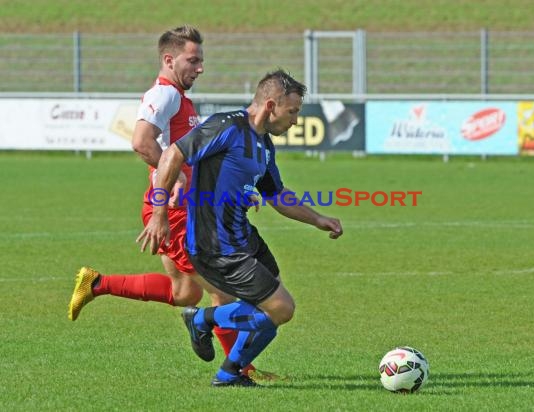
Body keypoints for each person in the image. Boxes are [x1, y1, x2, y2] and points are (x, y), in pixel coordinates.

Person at [67, 25, 264, 377]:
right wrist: (175, 183)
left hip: (181, 207)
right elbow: (142, 142)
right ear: (169, 59)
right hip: (174, 211)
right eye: (193, 60)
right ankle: (240, 370)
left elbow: (188, 158)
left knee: (186, 292)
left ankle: (97, 283)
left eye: (202, 60)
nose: (200, 68)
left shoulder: (178, 98)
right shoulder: (165, 95)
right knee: (222, 290)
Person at [137, 69, 343, 387]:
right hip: (214, 243)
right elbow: (172, 156)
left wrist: (317, 219)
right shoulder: (227, 126)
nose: (296, 120)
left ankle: (229, 372)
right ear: (271, 105)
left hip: (244, 235)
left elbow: (276, 195)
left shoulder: (264, 145)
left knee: (269, 309)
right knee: (281, 308)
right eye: (293, 111)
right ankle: (202, 319)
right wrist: (159, 213)